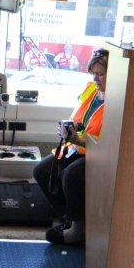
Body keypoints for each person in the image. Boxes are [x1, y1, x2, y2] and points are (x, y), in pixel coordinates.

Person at [32, 48, 107, 244]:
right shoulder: (91, 90)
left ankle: (78, 230)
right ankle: (68, 218)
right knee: (42, 170)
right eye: (93, 73)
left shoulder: (118, 102)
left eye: (100, 74)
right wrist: (69, 130)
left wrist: (78, 140)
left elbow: (107, 144)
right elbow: (81, 119)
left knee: (70, 175)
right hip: (77, 147)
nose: (95, 79)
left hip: (99, 154)